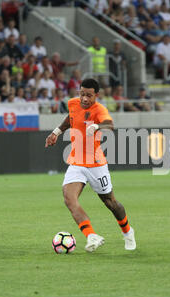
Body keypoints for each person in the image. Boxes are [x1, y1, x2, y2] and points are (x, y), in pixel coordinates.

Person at [45, 78, 136, 252]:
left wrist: (96, 126)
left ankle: (127, 232)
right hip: (76, 162)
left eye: (89, 95)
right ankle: (92, 236)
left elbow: (110, 125)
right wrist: (56, 132)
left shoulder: (99, 109)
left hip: (95, 164)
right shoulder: (73, 103)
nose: (85, 99)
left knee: (111, 203)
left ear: (96, 95)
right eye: (82, 94)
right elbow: (70, 118)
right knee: (69, 198)